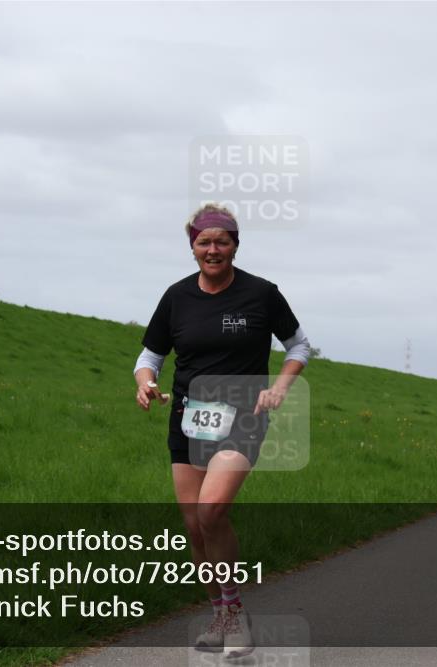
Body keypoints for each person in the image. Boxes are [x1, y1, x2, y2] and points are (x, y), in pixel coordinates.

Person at [133, 204, 310, 658]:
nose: (213, 250)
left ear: (235, 244)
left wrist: (280, 387)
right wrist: (146, 385)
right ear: (192, 247)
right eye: (203, 242)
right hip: (189, 419)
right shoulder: (176, 297)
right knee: (194, 527)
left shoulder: (262, 294)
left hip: (243, 416)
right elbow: (150, 357)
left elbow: (298, 345)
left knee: (211, 511)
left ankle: (234, 621)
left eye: (222, 241)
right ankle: (223, 613)